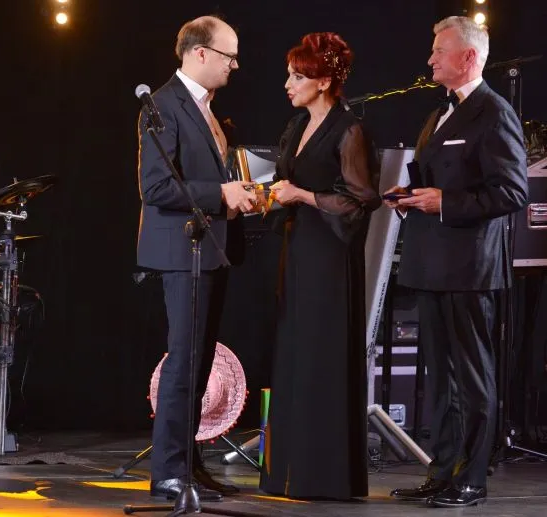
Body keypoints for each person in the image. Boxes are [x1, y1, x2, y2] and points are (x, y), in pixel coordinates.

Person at [385, 16, 528, 508]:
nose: (430, 59)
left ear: (468, 57)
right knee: (440, 379)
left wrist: (443, 202)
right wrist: (410, 196)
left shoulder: (494, 112)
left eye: (438, 50)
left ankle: (473, 477)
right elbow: (439, 179)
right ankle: (442, 472)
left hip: (468, 267)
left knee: (471, 377)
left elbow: (512, 191)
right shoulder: (439, 114)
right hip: (430, 262)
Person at [136, 15, 258, 501]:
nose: (235, 65)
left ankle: (188, 464)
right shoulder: (163, 105)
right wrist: (221, 194)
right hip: (181, 248)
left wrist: (238, 191)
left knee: (200, 361)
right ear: (199, 53)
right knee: (184, 361)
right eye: (229, 55)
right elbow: (156, 187)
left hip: (210, 249)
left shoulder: (206, 108)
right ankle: (168, 471)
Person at [258, 32, 381, 500]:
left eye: (297, 76)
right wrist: (267, 194)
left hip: (329, 257)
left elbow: (360, 200)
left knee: (320, 355)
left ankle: (323, 476)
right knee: (294, 352)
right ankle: (287, 472)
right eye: (289, 75)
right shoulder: (296, 126)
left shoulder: (349, 129)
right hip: (298, 250)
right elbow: (285, 181)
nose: (288, 84)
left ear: (324, 81)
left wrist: (304, 196)